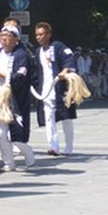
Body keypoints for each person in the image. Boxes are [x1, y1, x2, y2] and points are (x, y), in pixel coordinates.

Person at [0, 24, 36, 172]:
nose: (4, 38)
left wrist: (5, 75)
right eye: (2, 35)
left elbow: (21, 76)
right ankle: (9, 162)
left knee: (16, 133)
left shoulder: (22, 55)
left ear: (16, 39)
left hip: (14, 98)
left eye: (8, 36)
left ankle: (27, 152)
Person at [33, 22, 78, 156]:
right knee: (48, 117)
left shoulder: (58, 46)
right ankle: (54, 146)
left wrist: (65, 71)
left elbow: (69, 57)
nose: (38, 37)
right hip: (46, 90)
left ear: (49, 34)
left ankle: (69, 147)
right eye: (37, 35)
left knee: (66, 118)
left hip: (60, 88)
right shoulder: (38, 51)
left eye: (41, 34)